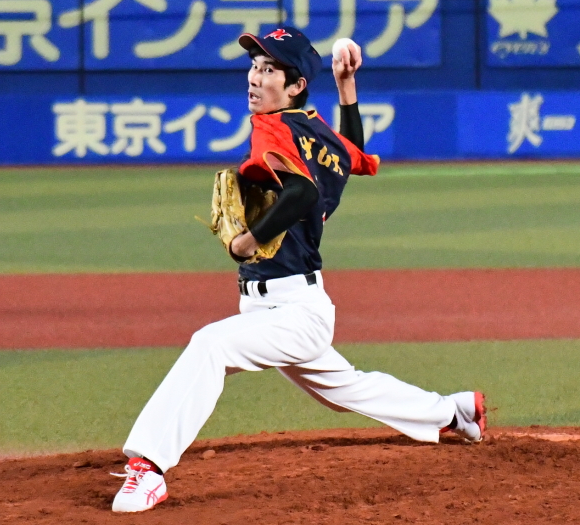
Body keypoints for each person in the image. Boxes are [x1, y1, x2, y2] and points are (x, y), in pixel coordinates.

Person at [111, 27, 487, 513]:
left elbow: (303, 192)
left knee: (210, 345)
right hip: (288, 304)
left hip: (293, 310)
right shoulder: (311, 126)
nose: (254, 77)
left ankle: (149, 468)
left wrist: (247, 241)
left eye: (269, 69)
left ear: (295, 87)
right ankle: (454, 411)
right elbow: (353, 156)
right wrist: (347, 87)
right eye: (254, 66)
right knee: (345, 387)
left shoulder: (272, 127)